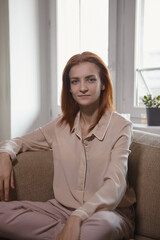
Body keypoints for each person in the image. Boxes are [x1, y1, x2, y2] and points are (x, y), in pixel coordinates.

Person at [0, 51, 136, 240]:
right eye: (75, 81)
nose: (82, 88)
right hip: (59, 211)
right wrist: (5, 154)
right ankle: (67, 234)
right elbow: (18, 142)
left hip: (107, 214)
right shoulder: (60, 125)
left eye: (90, 80)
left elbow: (115, 185)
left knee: (99, 228)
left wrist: (78, 216)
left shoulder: (121, 127)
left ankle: (72, 231)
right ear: (69, 88)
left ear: (103, 83)